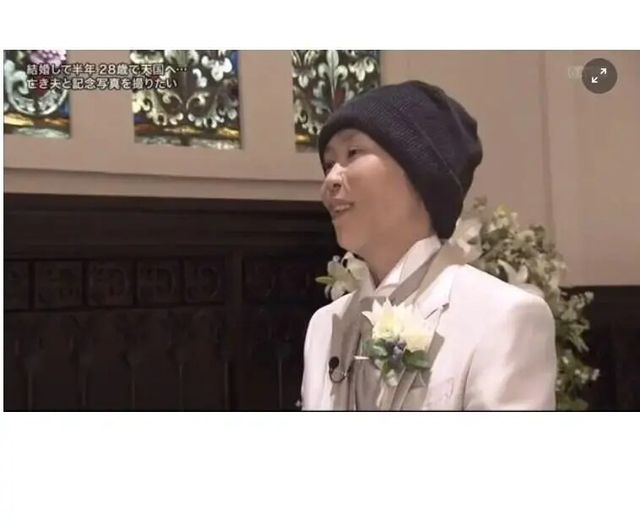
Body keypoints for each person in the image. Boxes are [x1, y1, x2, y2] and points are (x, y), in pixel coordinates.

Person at [300, 80, 557, 410]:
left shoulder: (503, 317)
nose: (330, 179)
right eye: (328, 164)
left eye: (353, 153)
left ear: (421, 175)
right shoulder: (325, 326)